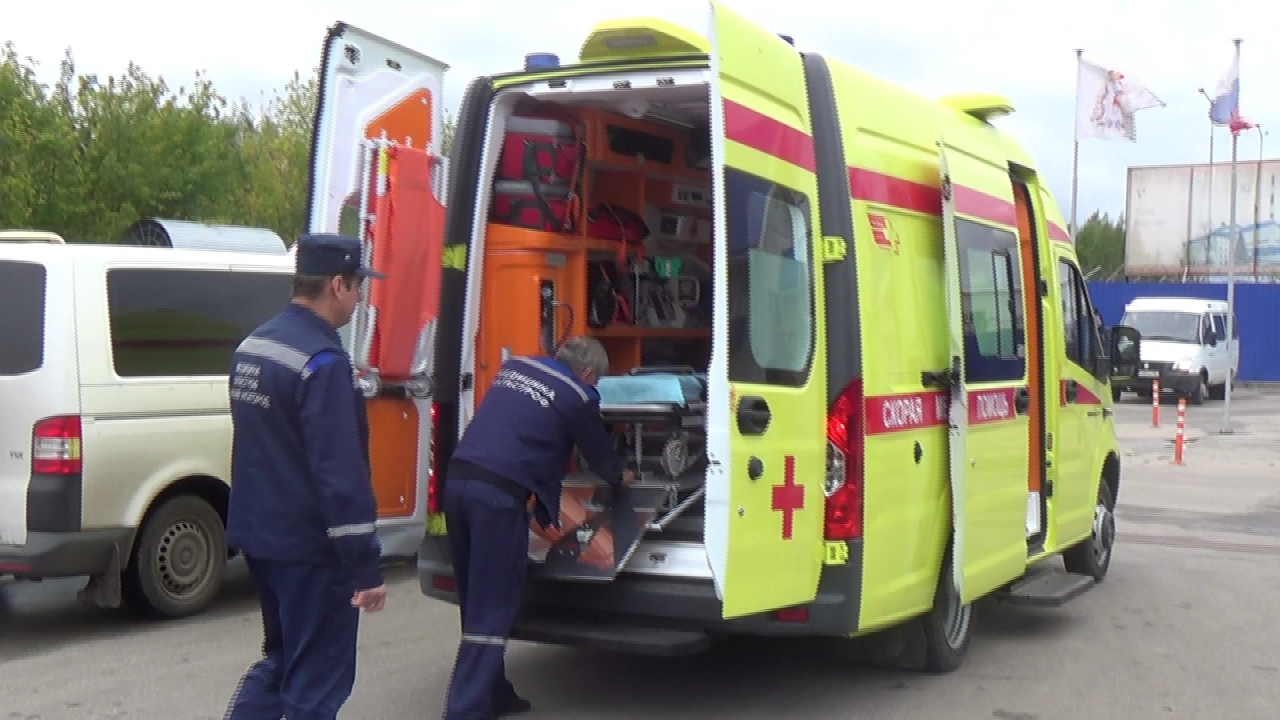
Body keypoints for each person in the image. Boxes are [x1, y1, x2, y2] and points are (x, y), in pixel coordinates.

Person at [223, 233, 389, 720]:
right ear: (337, 284)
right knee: (317, 682)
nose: (360, 298)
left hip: (260, 537)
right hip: (310, 551)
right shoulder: (324, 364)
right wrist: (364, 567)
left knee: (282, 662)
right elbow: (340, 475)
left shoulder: (253, 346)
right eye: (359, 286)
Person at [440, 337, 634, 720]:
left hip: (458, 484)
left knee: (475, 598)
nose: (593, 388)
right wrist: (621, 476)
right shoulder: (578, 394)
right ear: (589, 374)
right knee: (494, 602)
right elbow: (598, 453)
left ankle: (494, 691)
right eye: (596, 383)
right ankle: (464, 710)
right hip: (496, 497)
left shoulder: (516, 368)